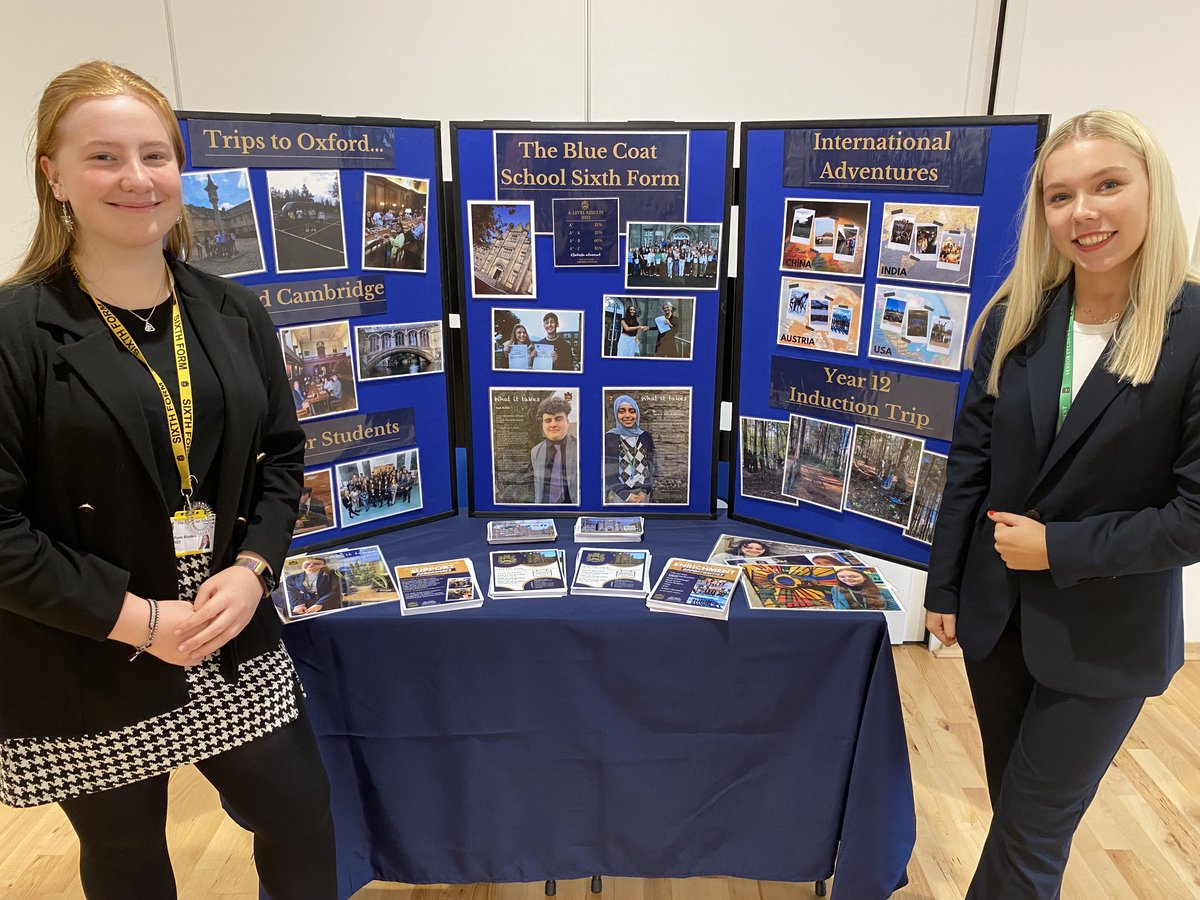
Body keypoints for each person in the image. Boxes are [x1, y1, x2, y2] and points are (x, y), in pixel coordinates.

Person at [0, 62, 335, 898]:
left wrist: (255, 570)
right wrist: (135, 618)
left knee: (302, 816)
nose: (137, 178)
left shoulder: (232, 311)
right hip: (90, 637)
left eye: (157, 155)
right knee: (126, 860)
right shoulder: (14, 331)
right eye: (104, 157)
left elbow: (282, 459)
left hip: (227, 625)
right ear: (54, 174)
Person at [925, 109, 1200, 898]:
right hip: (995, 619)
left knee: (1029, 837)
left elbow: (1195, 514)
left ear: (1152, 188)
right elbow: (968, 464)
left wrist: (1061, 549)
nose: (1084, 213)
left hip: (1106, 639)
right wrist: (943, 587)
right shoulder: (1017, 319)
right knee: (1020, 813)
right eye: (1060, 195)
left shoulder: (1193, 330)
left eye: (1108, 185)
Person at [603, 395, 657, 503]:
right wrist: (626, 495)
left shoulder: (645, 436)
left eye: (632, 411)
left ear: (637, 413)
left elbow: (652, 465)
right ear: (616, 414)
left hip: (643, 495)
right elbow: (607, 470)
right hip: (620, 495)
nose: (627, 415)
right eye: (622, 411)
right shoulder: (609, 438)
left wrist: (645, 490)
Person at [529, 395, 578, 504]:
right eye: (548, 420)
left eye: (558, 419)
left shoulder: (580, 447)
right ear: (542, 424)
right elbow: (538, 488)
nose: (553, 424)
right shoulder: (535, 452)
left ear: (567, 422)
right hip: (547, 512)